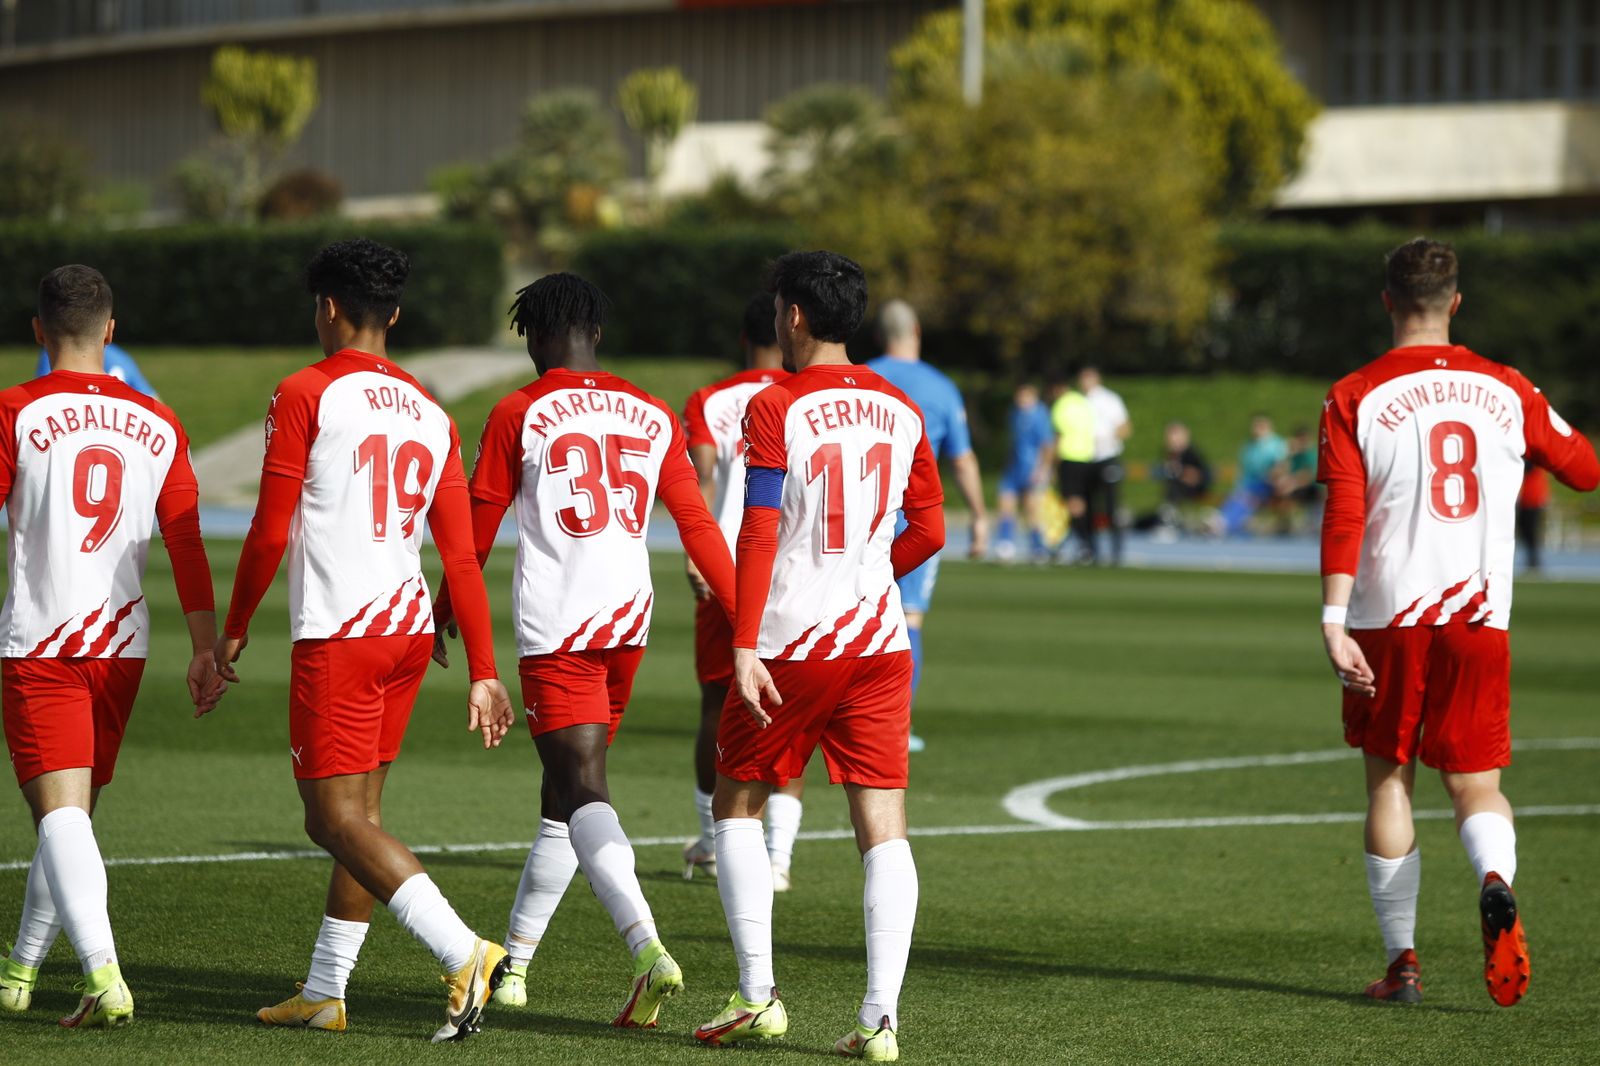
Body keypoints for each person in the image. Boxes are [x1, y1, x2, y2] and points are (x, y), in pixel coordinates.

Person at [216, 239, 516, 1043]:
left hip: (343, 632)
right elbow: (460, 555)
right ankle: (325, 990)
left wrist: (232, 630)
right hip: (409, 629)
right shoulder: (429, 407)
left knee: (332, 820)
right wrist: (486, 670)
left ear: (327, 308)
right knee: (365, 814)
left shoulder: (306, 390)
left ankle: (465, 951)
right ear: (395, 313)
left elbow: (269, 526)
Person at [436, 273, 736, 1026]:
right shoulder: (650, 411)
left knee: (581, 794)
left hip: (559, 629)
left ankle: (646, 947)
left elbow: (475, 534)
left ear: (534, 338)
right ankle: (516, 966)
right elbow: (697, 524)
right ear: (595, 334)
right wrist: (749, 620)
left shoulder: (518, 411)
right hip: (628, 626)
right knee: (562, 797)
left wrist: (445, 603)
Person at [1318, 237, 1599, 1008]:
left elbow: (1344, 512)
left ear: (1387, 302)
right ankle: (1494, 879)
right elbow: (1585, 468)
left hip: (1384, 616)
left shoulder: (1355, 393)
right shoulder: (1508, 387)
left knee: (1390, 781)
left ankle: (1403, 965)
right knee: (1477, 787)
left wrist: (1332, 619)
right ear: (1456, 303)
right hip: (1479, 616)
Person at [694, 251, 944, 1059]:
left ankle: (759, 995)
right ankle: (881, 1018)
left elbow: (759, 529)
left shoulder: (776, 405)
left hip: (792, 639)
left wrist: (741, 640)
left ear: (792, 317)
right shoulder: (902, 406)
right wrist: (870, 575)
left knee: (735, 806)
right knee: (884, 823)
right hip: (878, 640)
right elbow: (931, 530)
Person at [0, 265, 223, 1027]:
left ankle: (102, 973)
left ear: (38, 332)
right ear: (111, 332)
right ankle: (21, 969)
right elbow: (187, 539)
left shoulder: (15, 410)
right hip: (121, 648)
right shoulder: (159, 422)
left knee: (59, 816)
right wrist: (204, 646)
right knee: (72, 819)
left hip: (41, 639)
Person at [679, 295, 798, 888]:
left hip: (726, 568)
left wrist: (695, 557)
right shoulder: (809, 396)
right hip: (794, 570)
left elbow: (700, 478)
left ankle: (709, 837)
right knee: (790, 706)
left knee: (713, 703)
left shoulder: (710, 399)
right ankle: (779, 857)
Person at [866, 300, 986, 752]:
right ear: (916, 329)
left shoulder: (860, 377)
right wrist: (978, 517)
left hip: (853, 515)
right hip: (910, 519)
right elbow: (962, 458)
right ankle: (893, 730)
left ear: (879, 336)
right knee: (908, 619)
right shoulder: (941, 388)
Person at [994, 382, 1054, 563]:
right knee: (1005, 504)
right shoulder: (1014, 414)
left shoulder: (1040, 415)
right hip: (1014, 468)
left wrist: (1043, 469)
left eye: (1024, 396)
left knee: (1032, 509)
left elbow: (1047, 445)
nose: (1021, 400)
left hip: (1032, 468)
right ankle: (1005, 544)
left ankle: (1038, 547)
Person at [1077, 366, 1130, 564]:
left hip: (1106, 457)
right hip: (1084, 458)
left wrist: (1106, 440)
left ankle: (1116, 551)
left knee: (1111, 506)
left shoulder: (1109, 399)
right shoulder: (1077, 401)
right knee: (1088, 505)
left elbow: (1124, 427)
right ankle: (1091, 550)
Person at [1136, 421, 1212, 534]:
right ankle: (1167, 514)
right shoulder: (1170, 453)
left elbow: (1201, 474)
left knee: (1175, 486)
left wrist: (1186, 474)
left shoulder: (1191, 453)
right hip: (1177, 489)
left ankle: (1170, 515)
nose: (1172, 440)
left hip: (1193, 489)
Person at [1050, 376, 1096, 562]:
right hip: (1087, 456)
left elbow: (1058, 435)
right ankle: (1081, 542)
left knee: (1072, 503)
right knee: (1081, 502)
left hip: (1069, 457)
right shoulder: (1083, 402)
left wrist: (1053, 464)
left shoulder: (1061, 405)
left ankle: (1083, 543)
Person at [1221, 413, 1288, 535]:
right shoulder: (1248, 446)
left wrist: (1272, 476)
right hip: (1249, 486)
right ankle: (1225, 521)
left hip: (1268, 486)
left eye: (1260, 426)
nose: (1257, 429)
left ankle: (1224, 522)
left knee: (1246, 496)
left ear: (1269, 427)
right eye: (1255, 426)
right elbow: (1243, 470)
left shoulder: (1277, 445)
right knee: (1239, 496)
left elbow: (1281, 468)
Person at [35, 342, 157, 399]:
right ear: (109, 330)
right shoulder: (121, 357)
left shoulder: (54, 353)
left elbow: (41, 397)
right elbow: (154, 401)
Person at [1515, 464, 1549, 572]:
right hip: (1526, 500)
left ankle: (1534, 560)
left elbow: (1527, 467)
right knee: (1525, 529)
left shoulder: (1533, 462)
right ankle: (1532, 558)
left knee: (1531, 530)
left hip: (1533, 499)